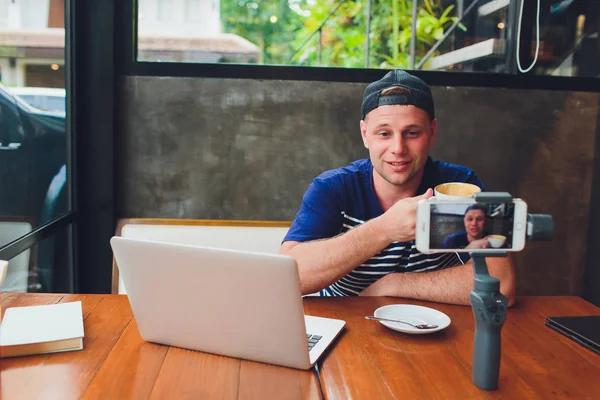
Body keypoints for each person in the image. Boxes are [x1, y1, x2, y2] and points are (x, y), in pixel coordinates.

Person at [279, 70, 515, 306]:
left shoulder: (459, 185)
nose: (398, 148)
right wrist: (385, 228)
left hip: (433, 328)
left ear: (432, 132)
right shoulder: (333, 188)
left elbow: (501, 284)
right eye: (384, 133)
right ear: (365, 135)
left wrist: (393, 285)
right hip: (347, 327)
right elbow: (288, 278)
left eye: (412, 133)